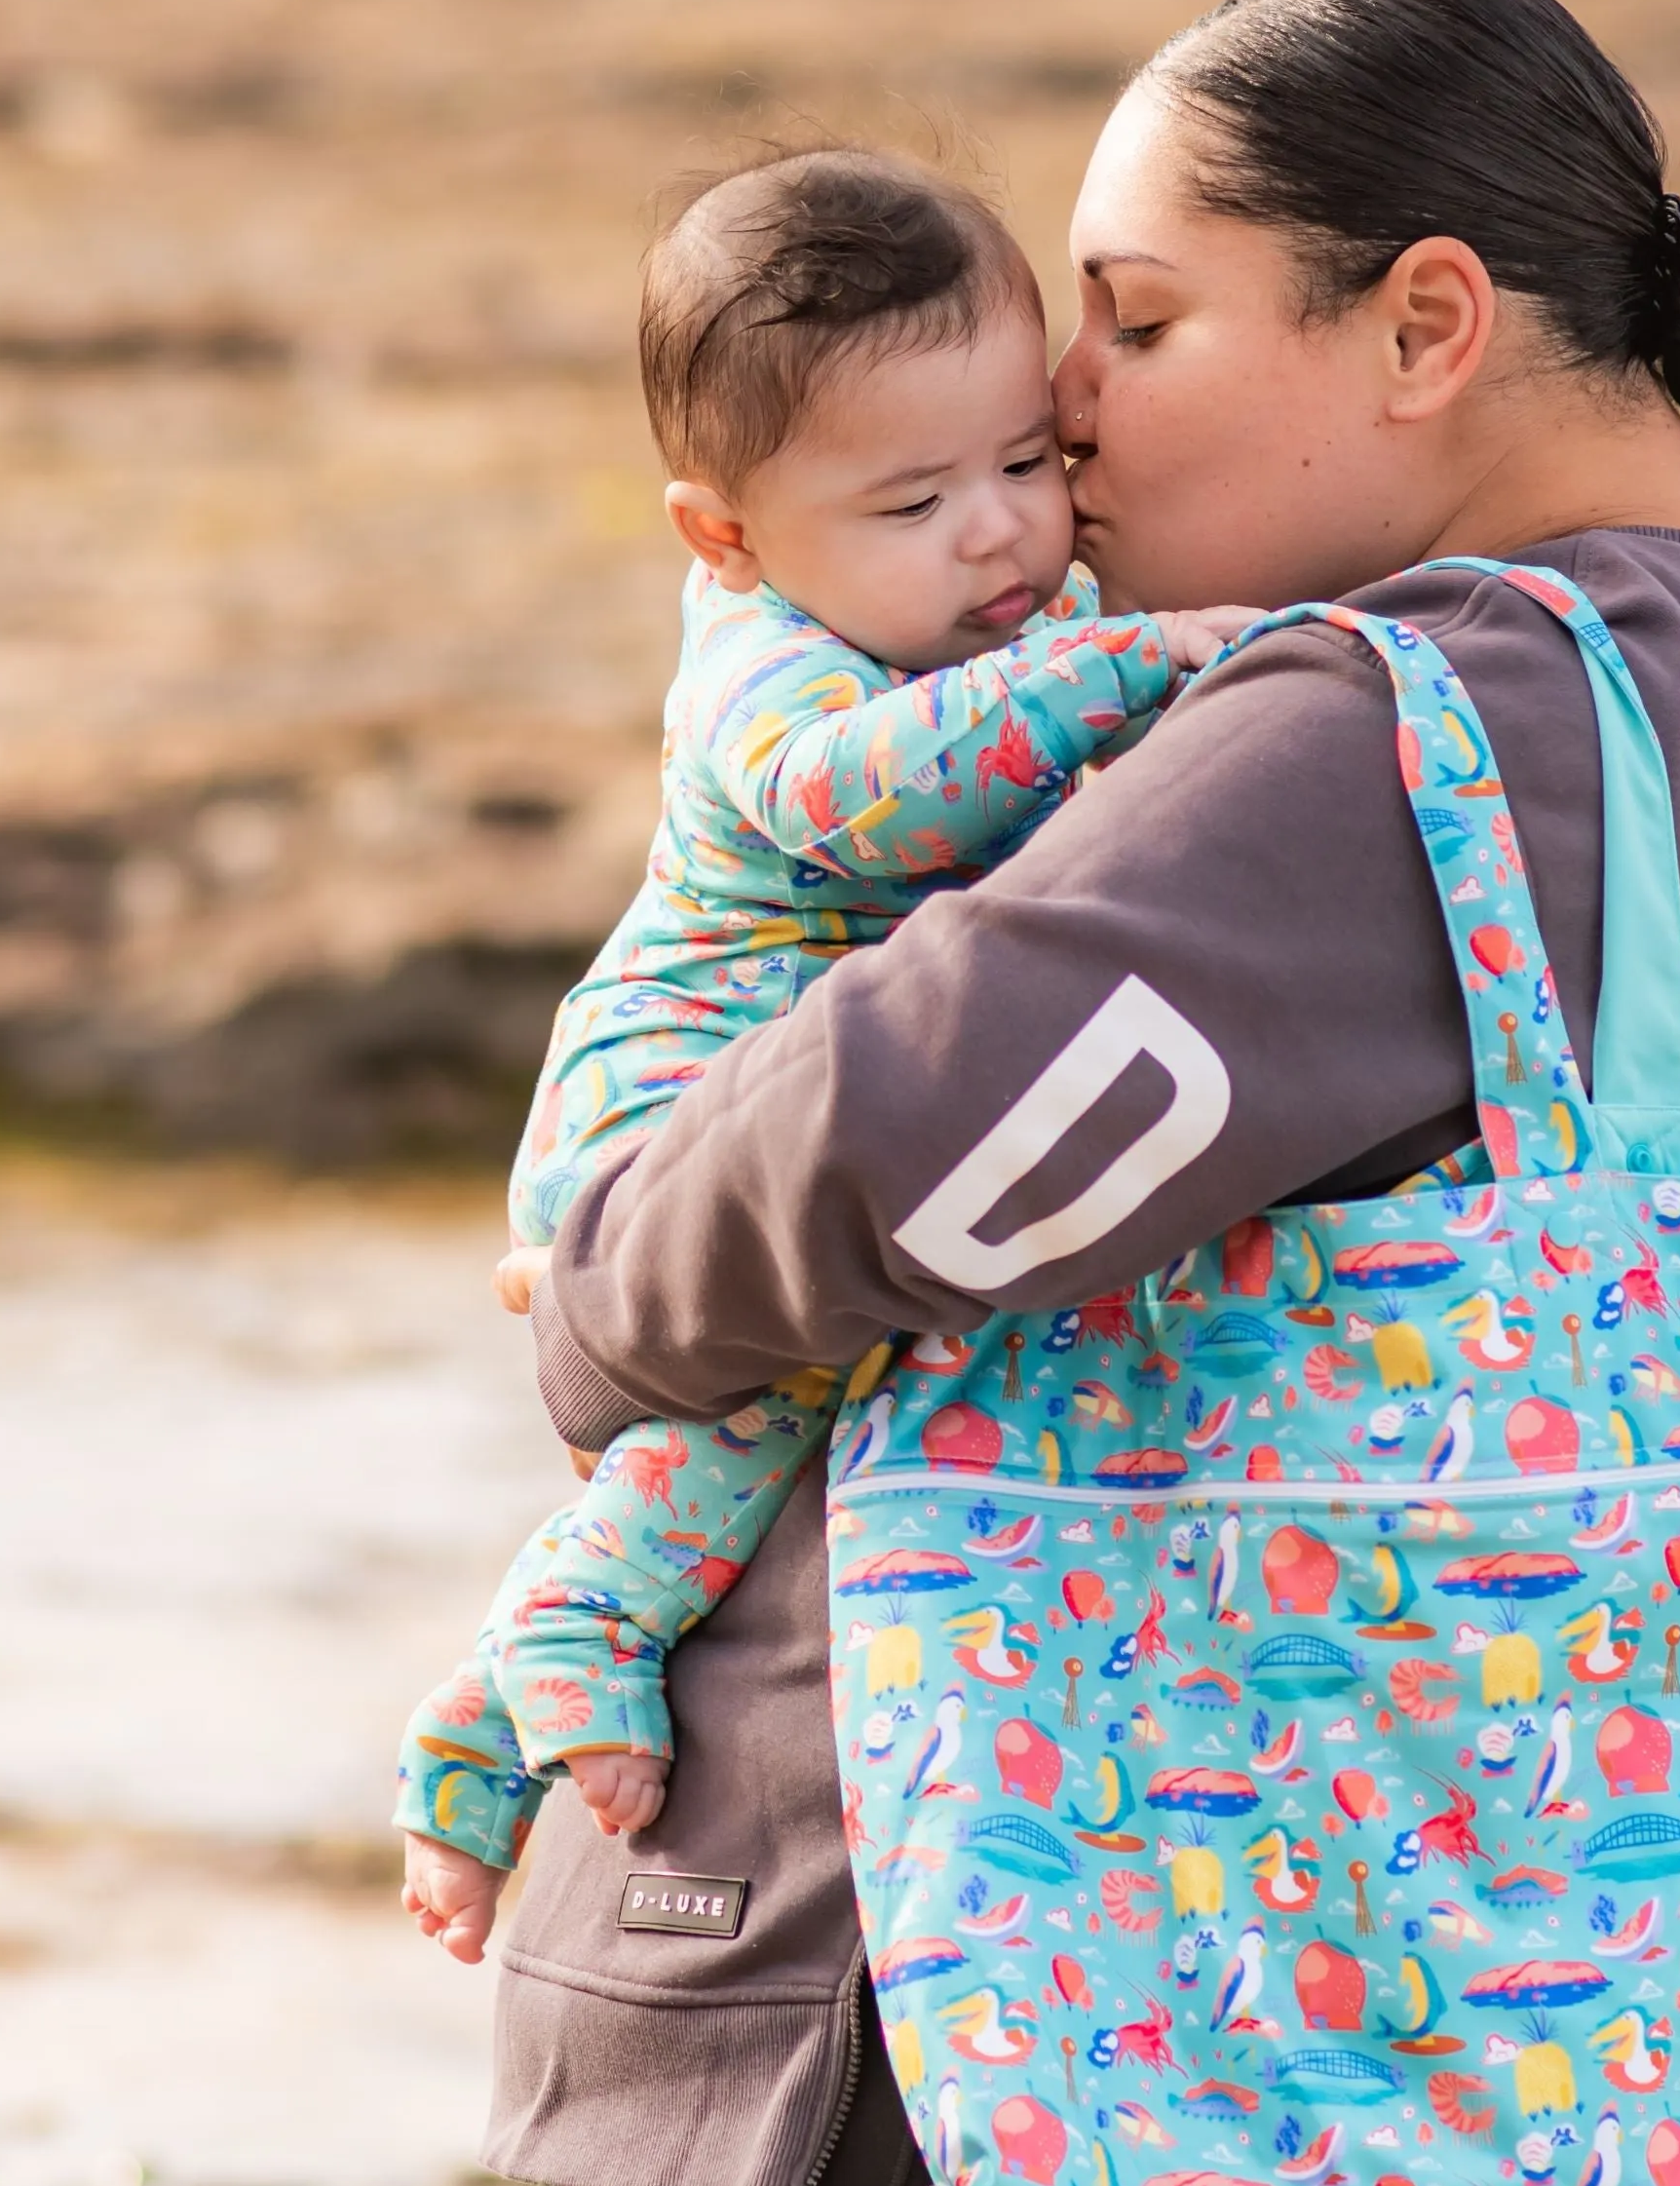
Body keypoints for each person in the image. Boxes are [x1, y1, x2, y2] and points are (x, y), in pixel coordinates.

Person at [402, 0, 1680, 2186]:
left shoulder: (1400, 715)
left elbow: (888, 1133)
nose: (1066, 411)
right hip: (1358, 2010)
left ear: (1423, 318)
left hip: (1008, 2023)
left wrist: (600, 1296)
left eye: (1134, 315)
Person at [395, 148, 1251, 1946]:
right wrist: (1146, 662)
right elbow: (851, 797)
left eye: (1026, 461)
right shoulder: (765, 669)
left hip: (792, 1086)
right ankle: (584, 1622)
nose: (1001, 531)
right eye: (913, 499)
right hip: (672, 1089)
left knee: (739, 1445)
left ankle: (475, 1756)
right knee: (786, 1354)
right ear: (725, 533)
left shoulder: (993, 618)